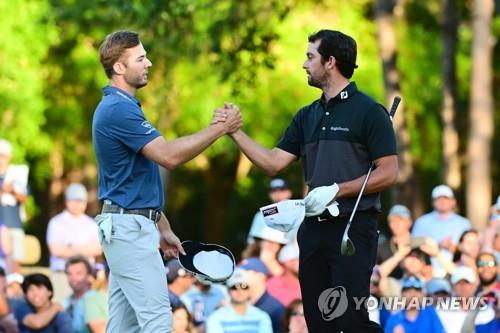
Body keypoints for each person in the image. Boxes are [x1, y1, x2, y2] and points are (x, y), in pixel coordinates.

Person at [222, 29, 398, 332]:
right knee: (319, 322)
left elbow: (389, 172)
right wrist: (234, 132)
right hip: (313, 231)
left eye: (310, 57)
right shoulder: (306, 116)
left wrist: (338, 190)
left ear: (330, 62)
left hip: (353, 229)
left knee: (350, 320)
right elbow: (273, 163)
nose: (304, 64)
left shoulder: (369, 112)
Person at [92, 30, 241, 332]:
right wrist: (220, 128)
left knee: (124, 327)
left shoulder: (124, 106)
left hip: (128, 227)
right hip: (129, 233)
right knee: (158, 321)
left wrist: (161, 225)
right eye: (141, 58)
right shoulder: (118, 109)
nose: (148, 62)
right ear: (119, 68)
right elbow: (169, 156)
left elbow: (133, 182)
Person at [46, 183, 102, 303]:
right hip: (62, 276)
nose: (77, 204)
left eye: (80, 201)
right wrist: (85, 249)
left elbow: (98, 249)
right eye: (74, 201)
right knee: (61, 309)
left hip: (86, 278)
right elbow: (56, 250)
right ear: (66, 202)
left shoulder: (91, 224)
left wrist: (71, 247)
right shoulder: (56, 222)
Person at [412, 184, 471, 276]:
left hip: (456, 271)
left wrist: (454, 248)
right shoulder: (422, 222)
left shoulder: (464, 223)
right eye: (438, 199)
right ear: (433, 202)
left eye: (446, 198)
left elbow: (471, 248)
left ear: (453, 201)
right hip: (427, 272)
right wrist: (436, 244)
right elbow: (412, 245)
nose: (442, 201)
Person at [205, 268, 272, 333]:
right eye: (234, 287)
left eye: (244, 287)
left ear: (249, 290)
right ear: (228, 291)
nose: (240, 291)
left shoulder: (262, 316)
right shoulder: (216, 317)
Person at [0, 139, 29, 273]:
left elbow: (24, 199)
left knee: (15, 264)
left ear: (9, 157)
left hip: (14, 225)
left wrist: (11, 190)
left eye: (3, 156)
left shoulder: (18, 175)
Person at [238, 257, 284, 332]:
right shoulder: (240, 304)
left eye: (246, 271)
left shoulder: (276, 309)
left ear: (260, 275)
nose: (240, 276)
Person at [64, 256, 108, 333]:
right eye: (70, 274)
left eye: (78, 273)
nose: (73, 277)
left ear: (89, 275)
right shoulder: (66, 302)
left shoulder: (96, 297)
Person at [246, 178, 294, 244]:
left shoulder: (298, 211)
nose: (278, 194)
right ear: (269, 194)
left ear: (289, 193)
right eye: (274, 191)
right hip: (262, 249)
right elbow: (251, 242)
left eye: (282, 190)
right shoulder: (261, 214)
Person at [377, 205, 413, 279]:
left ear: (409, 222)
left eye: (400, 220)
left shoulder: (420, 244)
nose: (396, 224)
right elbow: (376, 275)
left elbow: (429, 273)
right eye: (392, 221)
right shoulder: (382, 247)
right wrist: (399, 255)